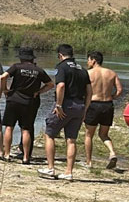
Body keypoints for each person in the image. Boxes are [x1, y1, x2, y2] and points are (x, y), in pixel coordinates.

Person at [39, 44, 91, 180]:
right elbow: (89, 92)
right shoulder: (82, 70)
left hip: (66, 104)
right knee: (71, 140)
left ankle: (51, 168)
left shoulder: (61, 67)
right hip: (80, 105)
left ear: (60, 55)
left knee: (50, 134)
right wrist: (85, 108)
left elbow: (61, 85)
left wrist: (59, 104)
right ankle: (69, 172)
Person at [0, 46, 53, 164]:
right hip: (29, 102)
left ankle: (7, 154)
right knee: (26, 129)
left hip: (13, 100)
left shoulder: (16, 67)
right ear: (32, 58)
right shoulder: (38, 70)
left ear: (21, 58)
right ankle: (26, 157)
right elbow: (50, 84)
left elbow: (2, 77)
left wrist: (5, 90)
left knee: (9, 127)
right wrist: (39, 91)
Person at [83, 51, 124, 169]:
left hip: (94, 104)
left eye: (89, 60)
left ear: (94, 60)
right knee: (104, 134)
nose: (88, 62)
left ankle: (89, 162)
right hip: (107, 105)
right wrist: (113, 97)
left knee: (88, 135)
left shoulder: (88, 73)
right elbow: (120, 90)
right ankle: (112, 152)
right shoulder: (111, 73)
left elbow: (83, 90)